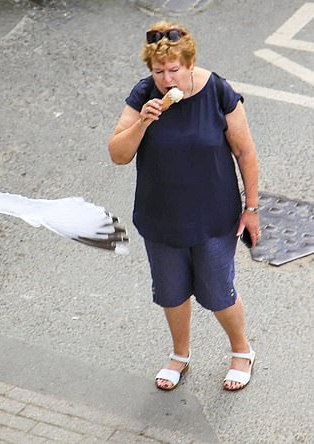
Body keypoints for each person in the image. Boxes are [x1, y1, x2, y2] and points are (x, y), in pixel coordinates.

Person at [108, 21, 260, 391]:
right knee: (171, 292)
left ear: (190, 63)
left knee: (216, 291)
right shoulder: (144, 95)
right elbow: (117, 154)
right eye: (159, 71)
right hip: (161, 216)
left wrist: (251, 208)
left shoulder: (218, 92)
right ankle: (180, 355)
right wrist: (143, 122)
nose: (165, 78)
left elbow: (244, 151)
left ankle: (242, 350)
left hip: (214, 216)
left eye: (173, 69)